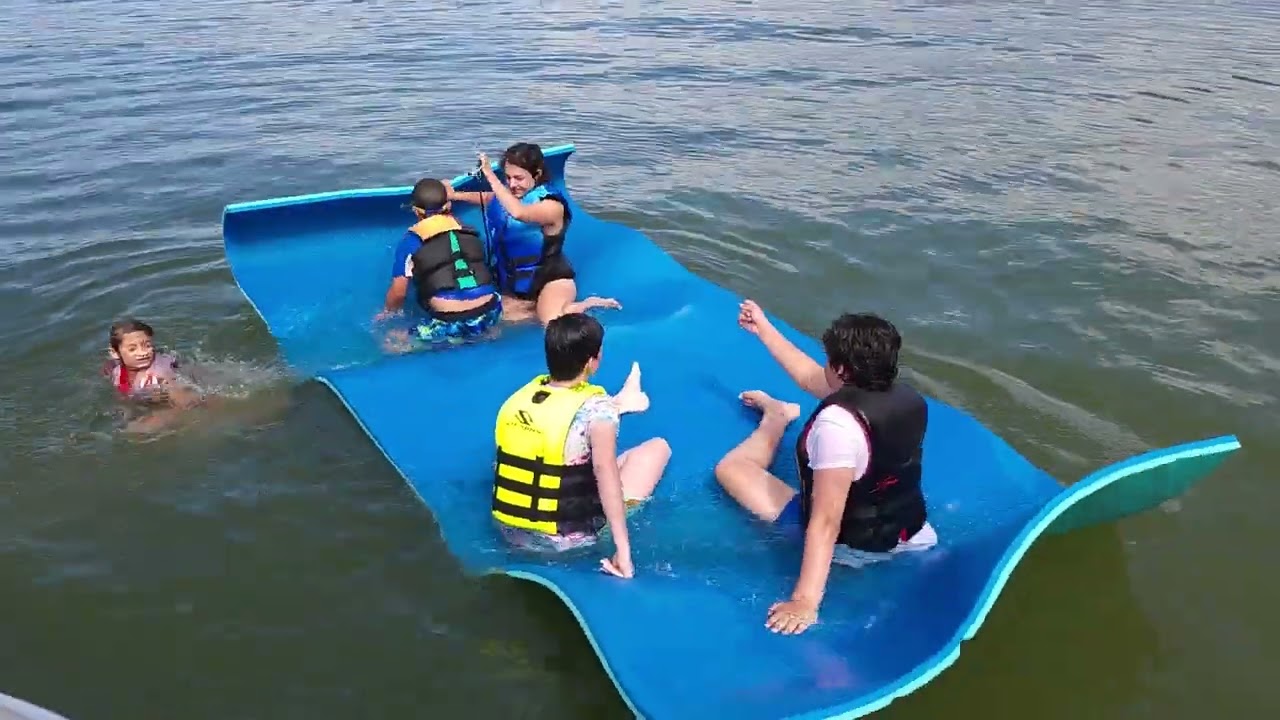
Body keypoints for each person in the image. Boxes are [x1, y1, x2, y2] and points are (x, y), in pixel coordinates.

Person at [714, 300, 937, 635]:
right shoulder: (905, 398)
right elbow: (809, 378)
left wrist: (805, 602)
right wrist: (763, 328)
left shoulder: (836, 427)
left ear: (843, 370)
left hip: (857, 548)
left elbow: (826, 521)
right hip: (915, 533)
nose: (825, 368)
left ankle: (775, 418)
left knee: (732, 468)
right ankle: (778, 412)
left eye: (829, 361)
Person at [491, 313, 670, 578]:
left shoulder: (520, 399)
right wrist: (623, 552)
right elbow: (605, 474)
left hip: (509, 532)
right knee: (656, 449)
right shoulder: (599, 411)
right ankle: (626, 401)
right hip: (567, 542)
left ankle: (624, 401)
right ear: (591, 362)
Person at [447, 142, 620, 325]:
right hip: (514, 284)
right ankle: (533, 309)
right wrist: (454, 195)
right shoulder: (510, 195)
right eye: (508, 178)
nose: (512, 184)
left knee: (552, 324)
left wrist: (490, 175)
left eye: (519, 178)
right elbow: (492, 198)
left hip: (551, 280)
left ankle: (584, 305)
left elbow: (519, 213)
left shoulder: (552, 206)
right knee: (492, 322)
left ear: (536, 174)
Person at [378, 178, 503, 347]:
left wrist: (387, 313)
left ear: (416, 211)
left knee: (391, 343)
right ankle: (486, 332)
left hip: (450, 321)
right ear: (448, 206)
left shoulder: (411, 241)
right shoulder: (468, 230)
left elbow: (399, 293)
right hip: (490, 310)